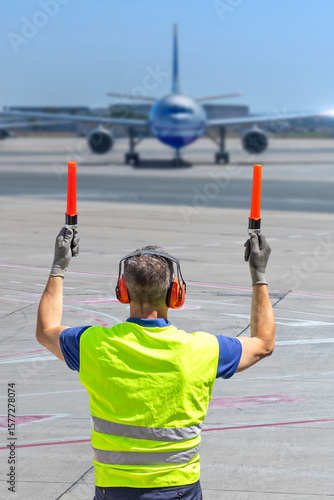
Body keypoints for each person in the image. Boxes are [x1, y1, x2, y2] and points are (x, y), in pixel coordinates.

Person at [36, 227, 275, 500]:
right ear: (176, 293)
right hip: (179, 490)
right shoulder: (201, 349)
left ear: (123, 290)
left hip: (114, 490)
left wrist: (59, 266)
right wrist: (259, 274)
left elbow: (46, 329)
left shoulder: (93, 344)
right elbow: (263, 343)